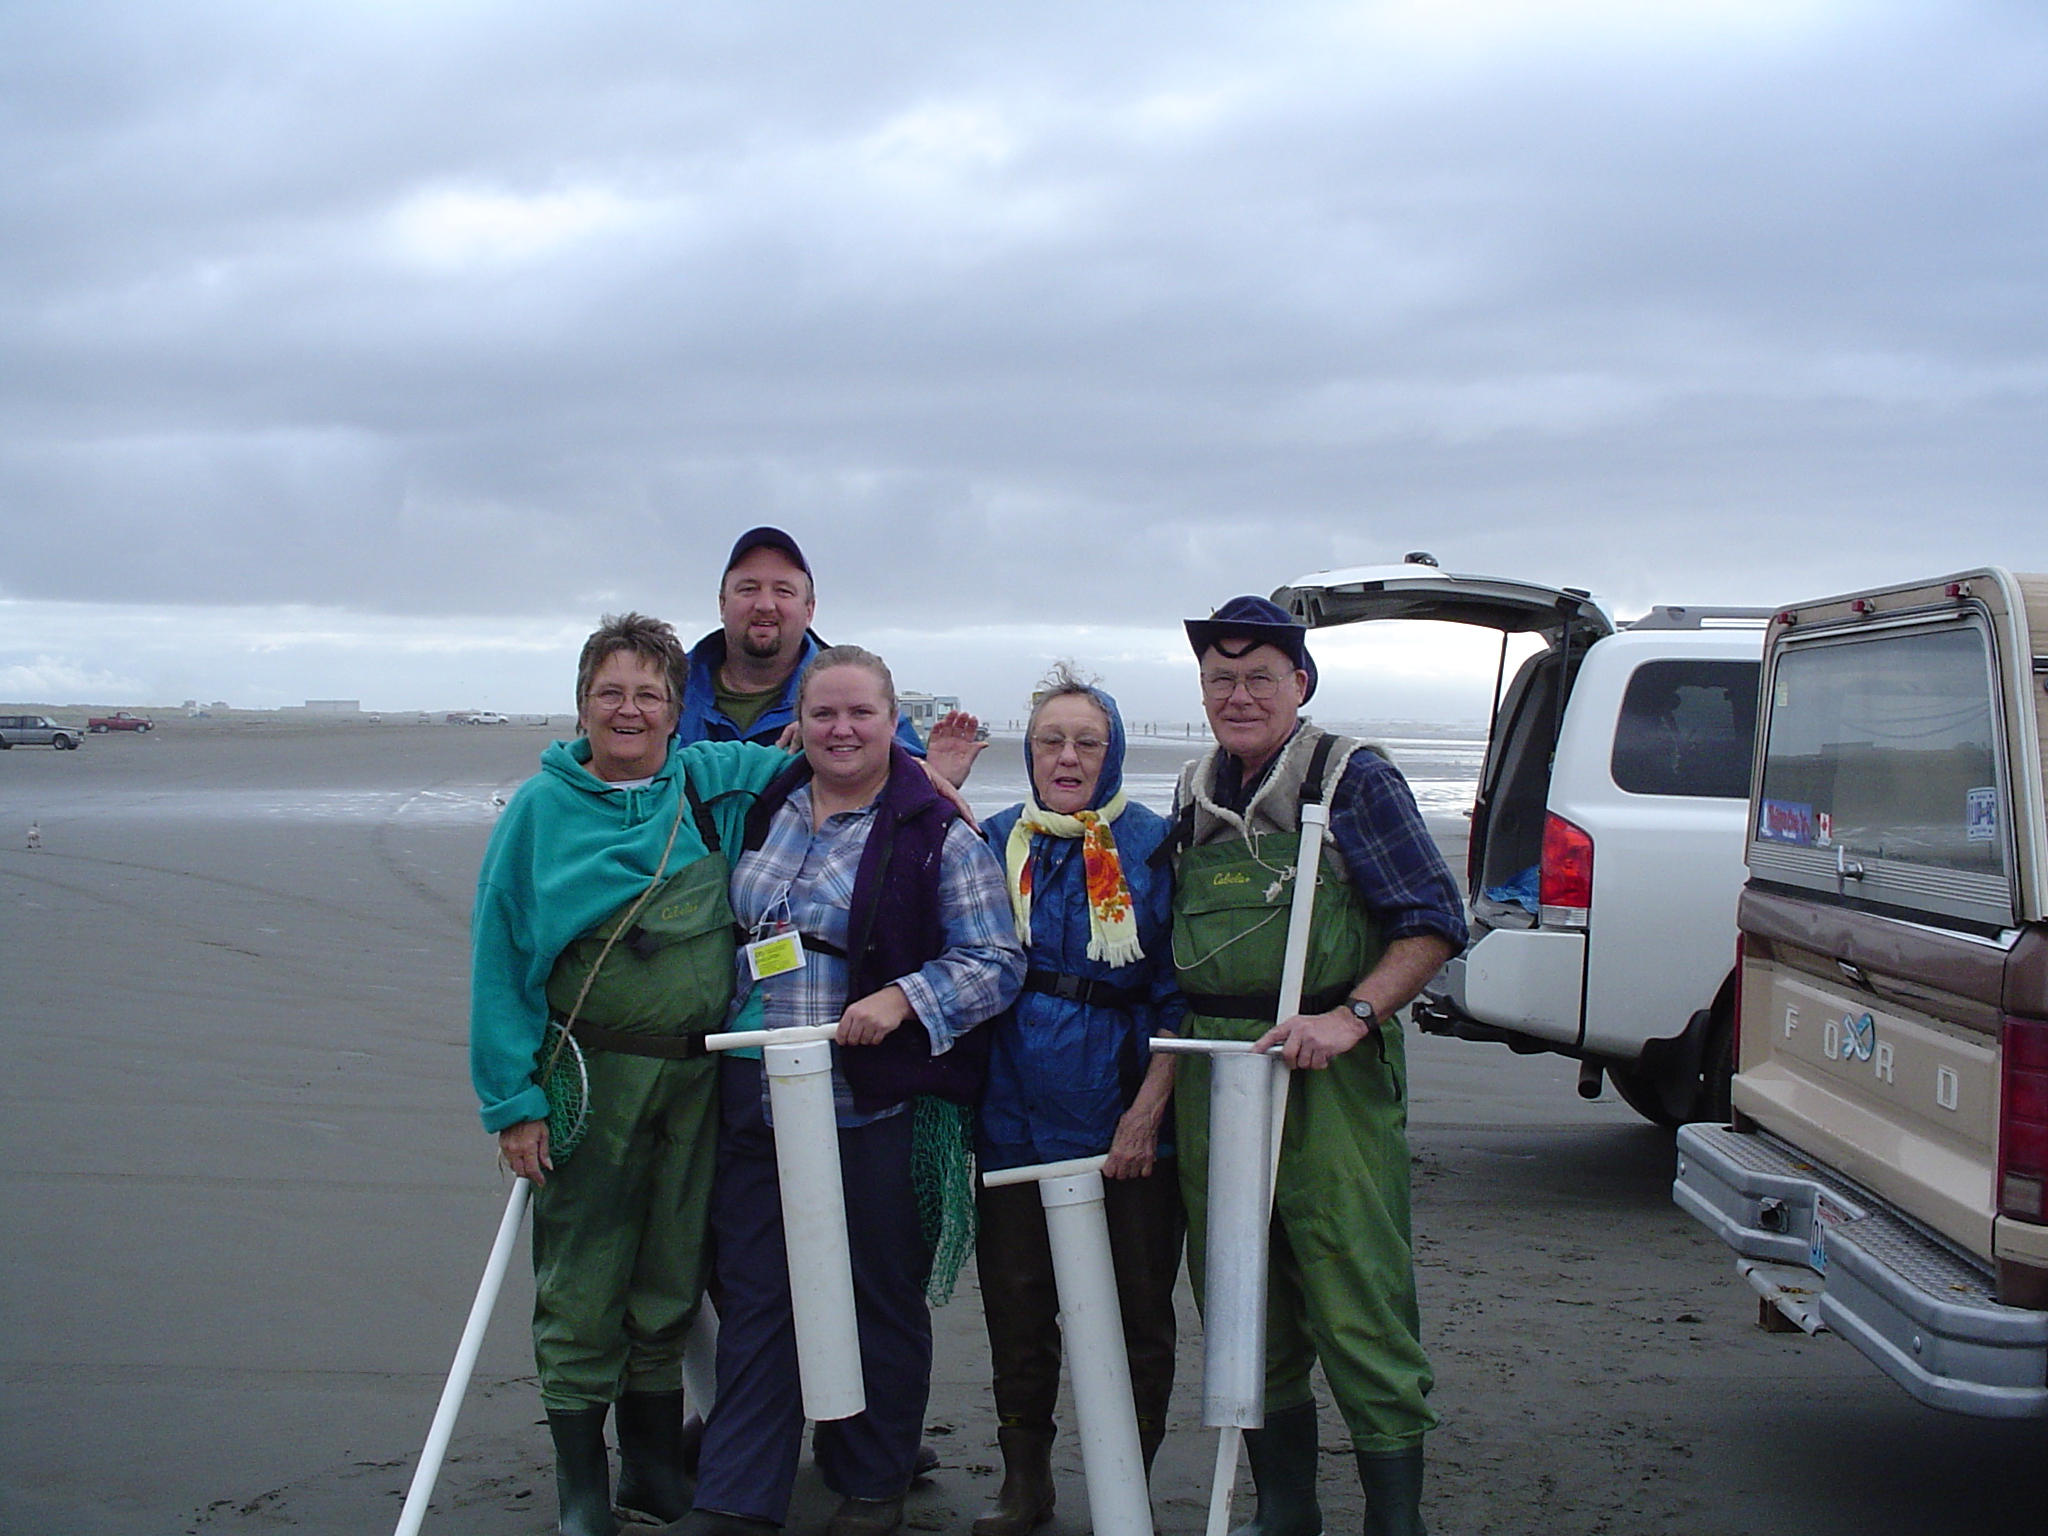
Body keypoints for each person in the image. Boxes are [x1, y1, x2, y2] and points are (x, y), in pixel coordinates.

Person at [676, 646, 1025, 1536]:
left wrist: (903, 998)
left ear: (889, 721)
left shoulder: (934, 828)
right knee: (755, 1292)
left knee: (878, 1291)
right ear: (800, 718)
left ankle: (871, 1481)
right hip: (753, 1093)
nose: (840, 730)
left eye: (860, 715)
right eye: (823, 713)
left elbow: (996, 961)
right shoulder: (767, 804)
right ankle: (737, 1495)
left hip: (870, 1104)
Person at [470, 614, 794, 1536]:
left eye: (648, 694)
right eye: (611, 692)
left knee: (669, 1275)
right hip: (589, 1085)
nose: (628, 709)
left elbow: (821, 758)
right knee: (583, 1281)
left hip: (695, 1085)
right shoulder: (540, 810)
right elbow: (500, 959)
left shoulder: (699, 784)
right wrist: (513, 1104)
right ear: (582, 704)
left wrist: (935, 774)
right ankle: (582, 1491)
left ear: (675, 711)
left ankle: (653, 1473)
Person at [1165, 597, 1466, 1536]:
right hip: (1218, 1079)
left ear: (1301, 683)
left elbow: (1433, 921)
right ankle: (1285, 1509)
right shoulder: (1192, 791)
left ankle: (1394, 1516)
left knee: (1355, 1291)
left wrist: (1354, 1014)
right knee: (1242, 1300)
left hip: (1329, 1082)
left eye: (1260, 677)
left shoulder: (1352, 780)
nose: (1239, 695)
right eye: (1221, 679)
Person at [971, 665, 1186, 1536]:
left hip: (1124, 1109)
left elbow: (1182, 992)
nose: (1067, 757)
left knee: (1138, 1305)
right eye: (1050, 742)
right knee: (1017, 1301)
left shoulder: (1155, 845)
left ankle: (1123, 1485)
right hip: (1012, 1111)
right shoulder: (991, 839)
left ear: (1113, 751)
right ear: (1028, 753)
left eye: (1086, 742)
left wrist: (1147, 1113)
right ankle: (1026, 1481)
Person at [678, 527, 932, 755]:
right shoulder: (669, 687)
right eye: (748, 589)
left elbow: (912, 775)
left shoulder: (855, 688)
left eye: (783, 591)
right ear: (722, 604)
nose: (765, 605)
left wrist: (826, 735)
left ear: (809, 610)